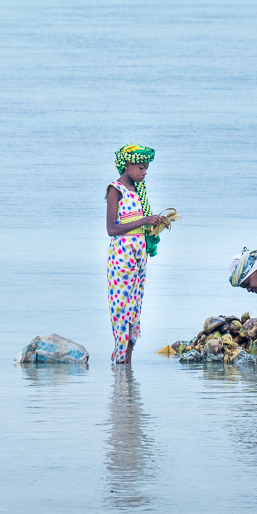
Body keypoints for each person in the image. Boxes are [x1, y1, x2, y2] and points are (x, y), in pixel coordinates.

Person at [106, 144, 168, 364]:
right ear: (127, 165)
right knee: (120, 307)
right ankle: (120, 358)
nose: (144, 172)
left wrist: (154, 226)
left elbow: (138, 225)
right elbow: (111, 229)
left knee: (134, 308)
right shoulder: (116, 189)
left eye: (146, 168)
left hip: (139, 258)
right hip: (122, 258)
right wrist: (143, 220)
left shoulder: (139, 193)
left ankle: (127, 363)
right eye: (141, 167)